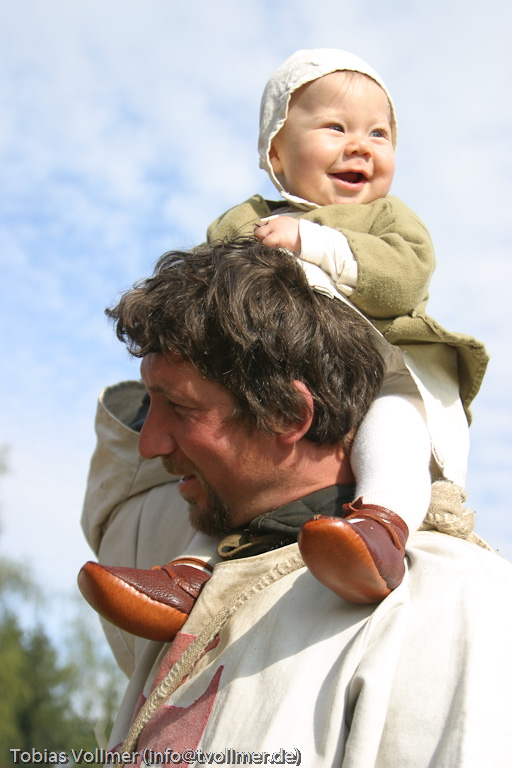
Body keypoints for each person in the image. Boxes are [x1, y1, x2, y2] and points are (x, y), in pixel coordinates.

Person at [79, 48, 488, 631]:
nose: (361, 146)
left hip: (388, 364)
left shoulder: (387, 219)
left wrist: (312, 243)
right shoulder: (244, 219)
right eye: (335, 127)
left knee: (395, 426)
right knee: (228, 466)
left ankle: (379, 526)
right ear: (276, 152)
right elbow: (206, 291)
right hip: (283, 376)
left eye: (379, 133)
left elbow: (404, 279)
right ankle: (191, 573)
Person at [80, 239, 512, 765]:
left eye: (180, 407)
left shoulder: (454, 603)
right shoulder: (187, 599)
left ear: (287, 413)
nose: (148, 444)